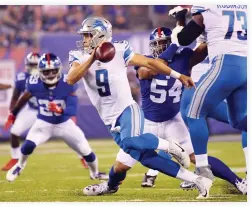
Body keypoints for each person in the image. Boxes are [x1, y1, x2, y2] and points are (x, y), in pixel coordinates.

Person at [67, 16, 212, 199]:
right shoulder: (78, 55)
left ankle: (170, 146)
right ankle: (198, 180)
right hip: (109, 118)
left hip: (128, 110)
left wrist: (178, 75)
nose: (85, 39)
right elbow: (71, 78)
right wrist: (92, 57)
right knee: (145, 159)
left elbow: (150, 63)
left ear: (100, 35)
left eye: (88, 35)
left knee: (130, 143)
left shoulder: (120, 48)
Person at [138, 25, 246, 195]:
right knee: (131, 159)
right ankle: (135, 178)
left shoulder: (183, 59)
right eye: (156, 44)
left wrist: (204, 32)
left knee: (196, 157)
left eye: (163, 43)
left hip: (173, 121)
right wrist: (173, 44)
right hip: (149, 122)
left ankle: (239, 182)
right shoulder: (147, 61)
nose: (159, 47)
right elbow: (149, 70)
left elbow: (202, 50)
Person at [174, 5, 247, 196]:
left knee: (193, 112)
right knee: (241, 121)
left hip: (225, 64)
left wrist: (181, 18)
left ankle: (202, 170)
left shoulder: (206, 5)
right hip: (247, 64)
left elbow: (184, 39)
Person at [5, 53, 108, 182]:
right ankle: (19, 165)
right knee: (27, 146)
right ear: (40, 71)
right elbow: (24, 98)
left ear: (59, 69)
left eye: (53, 70)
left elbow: (72, 107)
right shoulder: (34, 83)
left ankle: (95, 173)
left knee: (86, 151)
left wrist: (60, 110)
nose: (51, 74)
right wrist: (13, 113)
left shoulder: (67, 82)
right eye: (47, 71)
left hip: (64, 124)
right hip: (43, 123)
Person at [2, 52, 41, 171]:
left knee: (69, 134)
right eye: (32, 65)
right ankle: (15, 158)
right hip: (31, 110)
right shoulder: (22, 78)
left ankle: (84, 156)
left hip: (48, 110)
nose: (34, 68)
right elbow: (15, 97)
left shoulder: (49, 76)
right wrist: (11, 113)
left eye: (36, 65)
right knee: (15, 131)